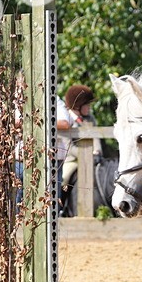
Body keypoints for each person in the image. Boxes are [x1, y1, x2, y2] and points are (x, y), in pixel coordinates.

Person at [56, 84, 98, 217]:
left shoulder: (90, 119)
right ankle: (62, 207)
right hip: (71, 159)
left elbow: (96, 138)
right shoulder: (68, 119)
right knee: (65, 178)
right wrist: (86, 154)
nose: (89, 107)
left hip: (90, 157)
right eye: (87, 104)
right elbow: (69, 146)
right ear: (78, 105)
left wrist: (97, 152)